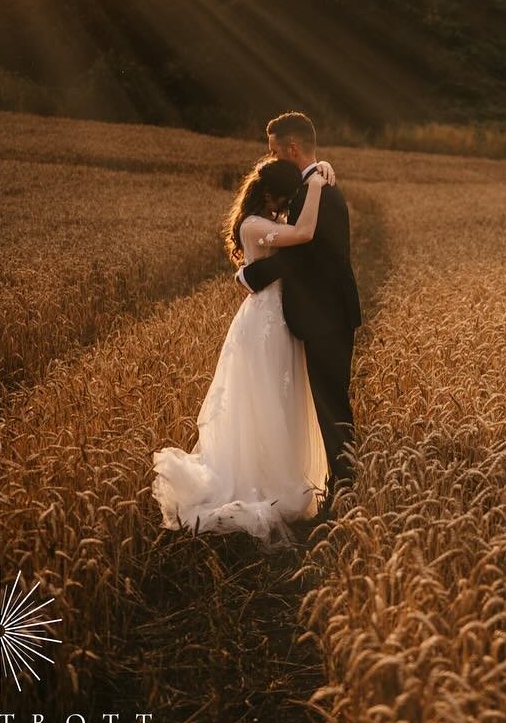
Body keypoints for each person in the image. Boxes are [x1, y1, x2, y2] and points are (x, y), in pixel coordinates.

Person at [150, 156, 337, 547]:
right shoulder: (253, 226)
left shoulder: (267, 222)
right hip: (263, 323)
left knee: (281, 398)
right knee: (262, 398)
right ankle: (259, 481)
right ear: (267, 193)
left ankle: (281, 474)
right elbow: (303, 236)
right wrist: (317, 183)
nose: (285, 206)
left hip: (278, 318)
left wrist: (319, 166)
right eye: (283, 199)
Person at [236, 112, 362, 525]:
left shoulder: (318, 190)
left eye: (274, 150)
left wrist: (251, 275)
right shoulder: (315, 185)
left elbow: (301, 255)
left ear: (292, 149)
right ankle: (342, 487)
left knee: (332, 406)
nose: (269, 159)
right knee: (328, 402)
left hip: (326, 314)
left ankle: (345, 494)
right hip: (324, 312)